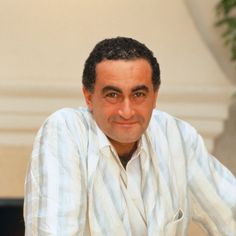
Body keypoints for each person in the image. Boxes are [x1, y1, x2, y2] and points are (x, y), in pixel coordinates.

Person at [24, 37, 236, 236]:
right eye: (113, 95)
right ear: (89, 98)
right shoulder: (65, 130)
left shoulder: (177, 136)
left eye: (138, 95)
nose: (126, 111)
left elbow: (230, 212)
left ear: (155, 96)